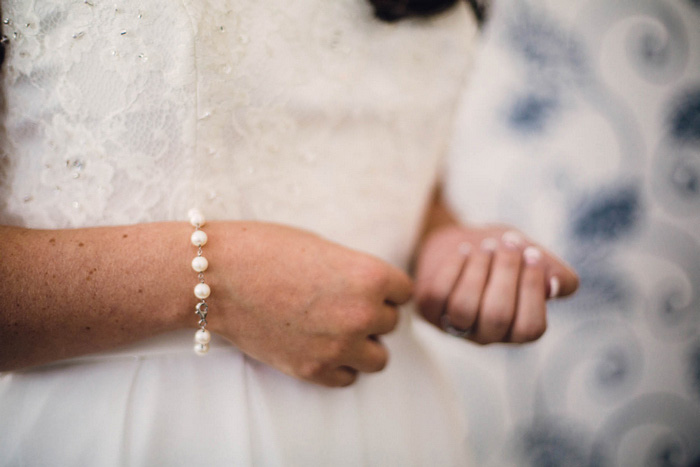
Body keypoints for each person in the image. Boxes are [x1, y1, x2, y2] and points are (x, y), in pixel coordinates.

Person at [0, 0, 576, 464]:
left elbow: (403, 178)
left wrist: (444, 244)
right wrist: (216, 280)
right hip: (125, 429)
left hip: (389, 421)